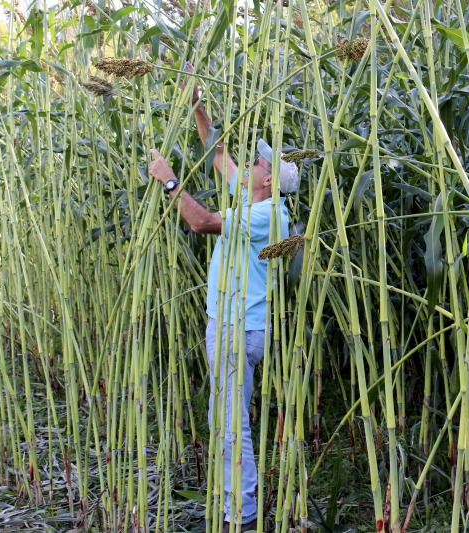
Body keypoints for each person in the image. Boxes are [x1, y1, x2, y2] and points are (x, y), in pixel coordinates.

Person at [148, 70, 298, 532]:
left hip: (237, 330)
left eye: (258, 160)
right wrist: (196, 105)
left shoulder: (268, 214)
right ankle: (236, 507)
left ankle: (243, 518)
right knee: (224, 420)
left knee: (233, 427)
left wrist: (169, 182)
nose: (250, 161)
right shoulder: (253, 196)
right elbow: (217, 153)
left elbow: (200, 221)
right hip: (231, 327)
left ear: (270, 178)